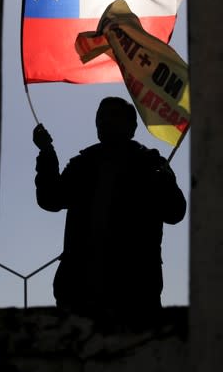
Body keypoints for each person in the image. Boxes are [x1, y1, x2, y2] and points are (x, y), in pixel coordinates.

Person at [32, 97, 186, 325]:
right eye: (100, 117)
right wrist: (46, 152)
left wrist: (163, 182)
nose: (104, 121)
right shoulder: (83, 164)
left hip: (134, 292)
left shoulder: (150, 164)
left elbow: (175, 213)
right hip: (79, 290)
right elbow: (51, 199)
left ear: (131, 127)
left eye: (112, 116)